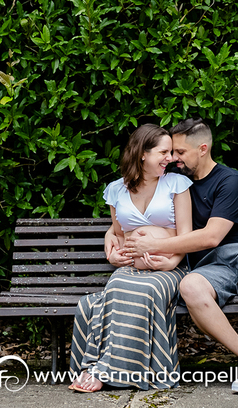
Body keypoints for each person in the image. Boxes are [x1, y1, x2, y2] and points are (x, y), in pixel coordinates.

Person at [124, 118, 238, 394]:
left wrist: (153, 247)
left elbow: (211, 236)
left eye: (180, 152)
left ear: (202, 148)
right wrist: (116, 235)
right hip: (214, 264)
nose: (173, 158)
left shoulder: (229, 180)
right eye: (170, 152)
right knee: (189, 285)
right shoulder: (177, 184)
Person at [68, 124, 192, 392]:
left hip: (168, 270)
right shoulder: (116, 190)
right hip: (131, 269)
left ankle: (104, 370)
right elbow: (118, 232)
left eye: (171, 152)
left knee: (144, 290)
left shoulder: (177, 184)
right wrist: (112, 247)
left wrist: (171, 262)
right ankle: (101, 367)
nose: (170, 158)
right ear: (142, 154)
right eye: (163, 152)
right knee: (115, 286)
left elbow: (186, 234)